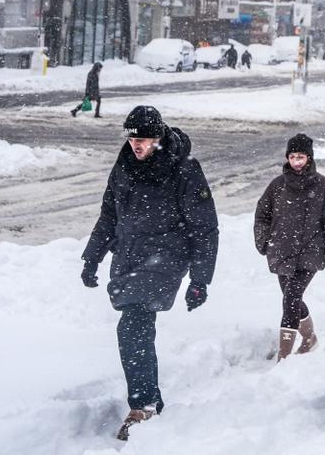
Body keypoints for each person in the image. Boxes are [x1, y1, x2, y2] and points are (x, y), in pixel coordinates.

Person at [81, 106, 219, 441]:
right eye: (132, 139)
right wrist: (92, 257)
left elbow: (204, 227)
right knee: (136, 324)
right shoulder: (124, 165)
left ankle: (142, 407)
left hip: (166, 257)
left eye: (142, 140)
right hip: (129, 255)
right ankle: (151, 399)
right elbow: (109, 212)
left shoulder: (184, 169)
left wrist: (200, 279)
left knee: (133, 325)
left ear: (158, 138)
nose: (136, 146)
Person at [254, 133, 325, 361]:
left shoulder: (324, 187)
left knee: (291, 298)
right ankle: (309, 339)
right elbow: (262, 215)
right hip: (282, 252)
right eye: (293, 157)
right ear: (288, 158)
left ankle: (284, 355)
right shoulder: (277, 186)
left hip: (310, 253)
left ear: (310, 157)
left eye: (301, 157)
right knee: (292, 298)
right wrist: (264, 241)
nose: (297, 162)